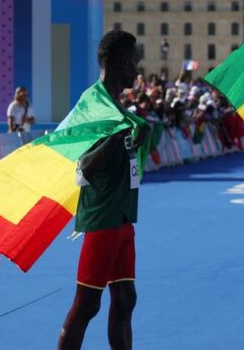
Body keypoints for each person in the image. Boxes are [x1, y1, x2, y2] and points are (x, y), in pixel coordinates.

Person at [58, 30, 148, 349]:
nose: (137, 71)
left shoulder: (118, 110)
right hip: (102, 218)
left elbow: (126, 143)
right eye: (134, 63)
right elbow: (83, 166)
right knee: (87, 304)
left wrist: (133, 135)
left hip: (122, 215)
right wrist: (116, 139)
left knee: (125, 299)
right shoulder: (92, 104)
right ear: (122, 62)